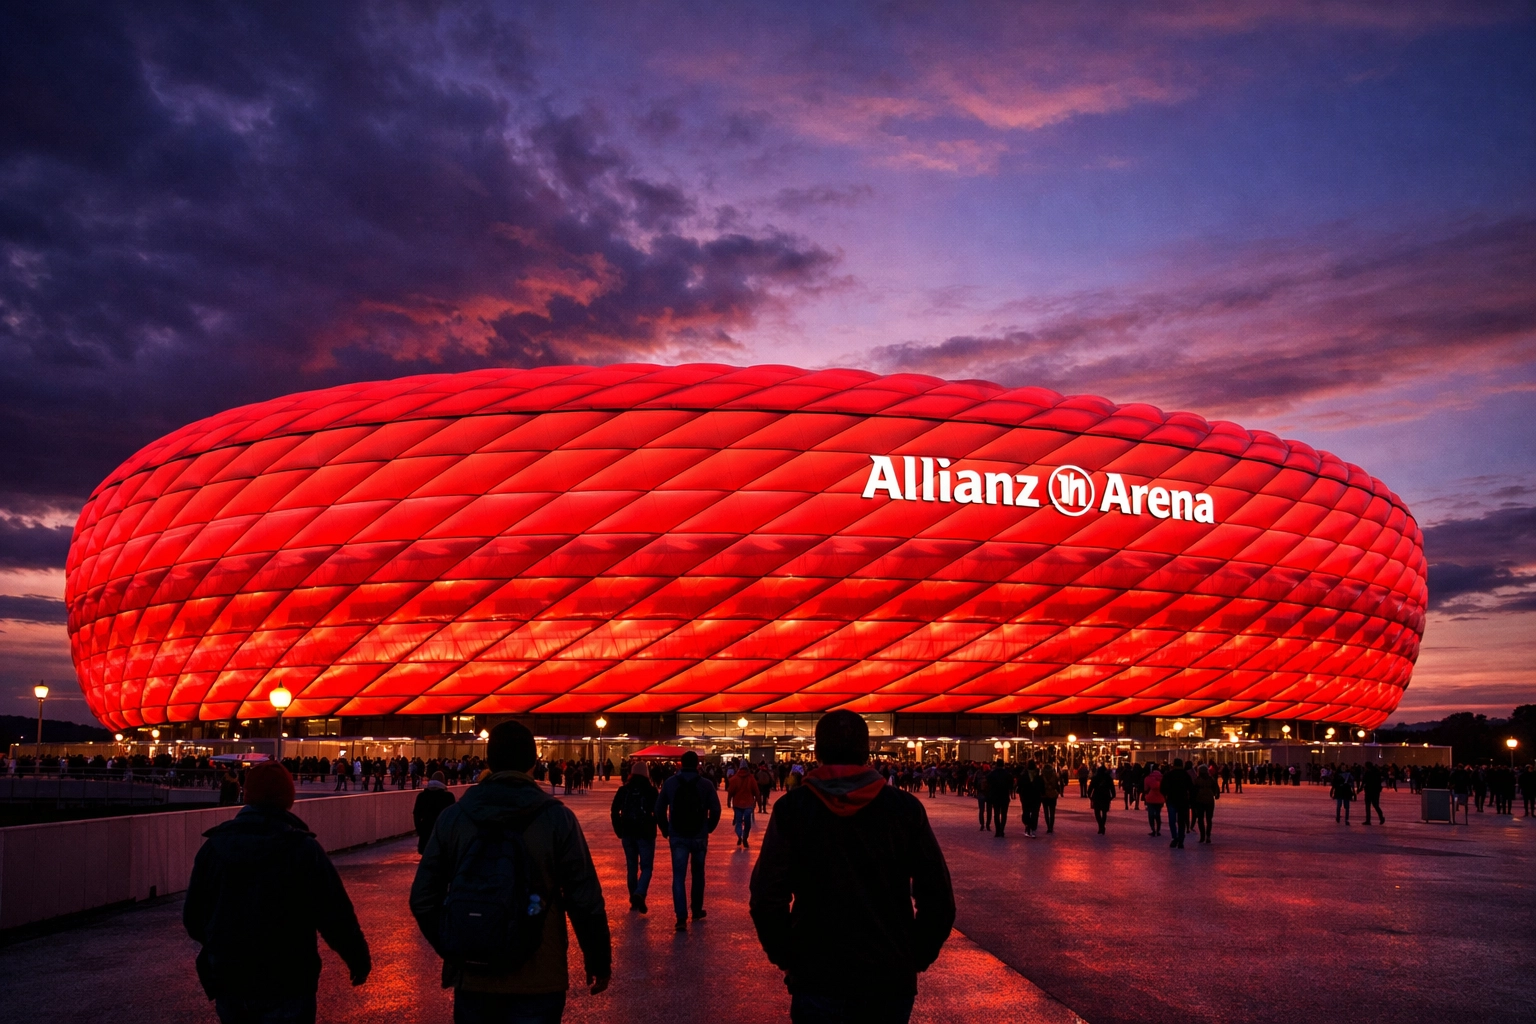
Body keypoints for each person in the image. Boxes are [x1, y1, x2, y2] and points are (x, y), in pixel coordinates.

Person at [750, 710, 955, 1024]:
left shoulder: (793, 808)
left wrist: (788, 956)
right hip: (888, 974)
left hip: (817, 972)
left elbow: (767, 895)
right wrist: (914, 956)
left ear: (817, 752)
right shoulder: (903, 808)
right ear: (867, 750)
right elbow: (937, 894)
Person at [410, 721, 611, 1024]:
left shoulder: (454, 817)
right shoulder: (557, 819)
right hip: (539, 974)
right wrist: (598, 958)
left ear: (489, 761)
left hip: (474, 974)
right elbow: (584, 899)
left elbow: (423, 898)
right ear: (533, 763)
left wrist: (456, 945)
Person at [184, 761, 370, 1024]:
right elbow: (334, 913)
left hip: (230, 978)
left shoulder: (214, 848)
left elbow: (193, 917)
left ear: (246, 794)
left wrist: (222, 947)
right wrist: (357, 958)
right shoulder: (302, 849)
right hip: (288, 978)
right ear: (288, 798)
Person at [656, 750, 721, 932]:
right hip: (699, 834)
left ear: (681, 763)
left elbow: (659, 808)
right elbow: (716, 809)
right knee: (698, 873)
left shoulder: (670, 783)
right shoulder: (706, 784)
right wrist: (709, 827)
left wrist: (665, 828)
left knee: (679, 876)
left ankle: (681, 916)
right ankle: (697, 909)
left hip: (677, 834)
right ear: (697, 764)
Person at [610, 770, 659, 913]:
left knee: (631, 867)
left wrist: (619, 829)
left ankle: (634, 898)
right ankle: (640, 892)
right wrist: (656, 825)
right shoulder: (651, 791)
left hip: (628, 832)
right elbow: (658, 810)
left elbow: (614, 810)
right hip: (646, 833)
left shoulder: (624, 790)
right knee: (647, 867)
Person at [413, 771, 457, 855]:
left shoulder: (422, 796)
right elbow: (452, 816)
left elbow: (416, 814)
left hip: (426, 830)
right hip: (442, 832)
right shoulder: (448, 796)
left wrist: (419, 829)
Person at [727, 761, 761, 849]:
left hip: (737, 804)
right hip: (749, 804)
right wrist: (759, 804)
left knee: (738, 822)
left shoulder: (735, 779)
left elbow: (730, 792)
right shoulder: (751, 778)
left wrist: (728, 801)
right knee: (747, 822)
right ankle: (745, 837)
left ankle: (739, 836)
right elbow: (757, 792)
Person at [1162, 759, 1192, 849]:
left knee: (1172, 821)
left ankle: (1175, 837)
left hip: (1171, 800)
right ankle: (1181, 840)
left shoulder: (1168, 775)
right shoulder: (1185, 775)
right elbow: (1191, 788)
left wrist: (1166, 796)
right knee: (1181, 821)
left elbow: (1162, 788)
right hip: (1183, 801)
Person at [984, 760, 1013, 838]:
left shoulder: (992, 774)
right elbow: (1011, 785)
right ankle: (1002, 830)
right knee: (1004, 814)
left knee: (996, 813)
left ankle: (997, 830)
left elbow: (987, 781)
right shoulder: (1007, 774)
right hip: (1004, 796)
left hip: (995, 796)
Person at [1192, 765, 1219, 843]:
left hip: (1199, 800)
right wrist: (1214, 794)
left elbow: (1193, 791)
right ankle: (1208, 835)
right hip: (1210, 800)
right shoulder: (1211, 779)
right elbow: (1216, 788)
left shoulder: (1197, 780)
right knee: (1209, 819)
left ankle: (1202, 836)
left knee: (1200, 819)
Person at [1087, 765, 1114, 834]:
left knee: (1097, 812)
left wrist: (1089, 794)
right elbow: (1112, 787)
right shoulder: (1108, 778)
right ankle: (1102, 825)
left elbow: (1091, 786)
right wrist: (1113, 795)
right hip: (1105, 796)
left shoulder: (1096, 778)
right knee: (1104, 812)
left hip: (1097, 796)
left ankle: (1101, 826)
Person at [1142, 763, 1165, 836]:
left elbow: (1145, 789)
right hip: (1160, 798)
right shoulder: (1163, 778)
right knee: (1158, 814)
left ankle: (1153, 829)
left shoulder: (1148, 778)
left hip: (1150, 798)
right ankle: (1158, 830)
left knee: (1151, 814)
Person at [1040, 761, 1061, 834]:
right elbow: (1057, 785)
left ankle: (1048, 826)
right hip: (1053, 795)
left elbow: (1041, 786)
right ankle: (1051, 827)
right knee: (1052, 812)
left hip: (1044, 795)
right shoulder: (1055, 775)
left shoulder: (1042, 776)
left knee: (1046, 812)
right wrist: (1058, 792)